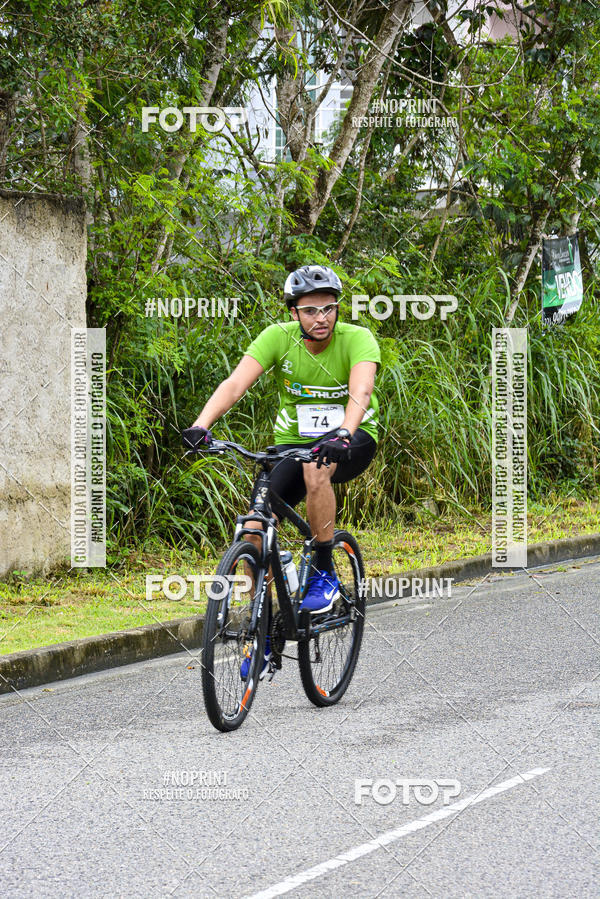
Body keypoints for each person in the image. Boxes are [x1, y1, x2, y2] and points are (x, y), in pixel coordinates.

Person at [182, 264, 380, 671]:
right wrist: (201, 425)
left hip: (351, 437)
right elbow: (235, 384)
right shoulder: (277, 337)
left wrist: (344, 432)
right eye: (310, 310)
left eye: (328, 308)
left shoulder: (358, 338)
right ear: (294, 312)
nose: (321, 318)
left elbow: (360, 392)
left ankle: (323, 569)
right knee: (254, 528)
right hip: (294, 441)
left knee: (316, 469)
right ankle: (263, 631)